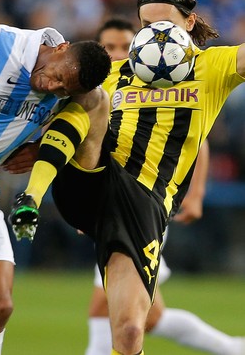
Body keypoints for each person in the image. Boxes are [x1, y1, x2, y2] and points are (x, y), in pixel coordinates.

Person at [10, 0, 245, 355]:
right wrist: (39, 147)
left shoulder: (213, 66)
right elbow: (75, 118)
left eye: (164, 23)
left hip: (145, 206)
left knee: (132, 332)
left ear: (189, 23)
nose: (155, 33)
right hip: (93, 180)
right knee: (91, 91)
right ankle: (31, 198)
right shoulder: (115, 72)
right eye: (147, 25)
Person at [0, 22, 111, 355]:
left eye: (64, 90)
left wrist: (40, 148)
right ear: (62, 48)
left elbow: (93, 115)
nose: (53, 87)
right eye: (58, 77)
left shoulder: (71, 93)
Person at [85, 18, 245, 355]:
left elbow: (195, 140)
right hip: (111, 202)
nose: (116, 53)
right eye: (108, 47)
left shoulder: (161, 80)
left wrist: (197, 192)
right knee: (151, 317)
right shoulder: (104, 87)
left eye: (122, 46)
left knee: (109, 308)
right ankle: (232, 347)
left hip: (147, 204)